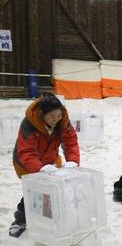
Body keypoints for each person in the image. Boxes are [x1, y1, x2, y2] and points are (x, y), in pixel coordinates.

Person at [10, 93, 80, 238]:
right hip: (26, 162)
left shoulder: (63, 122)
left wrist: (73, 160)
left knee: (52, 190)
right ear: (42, 115)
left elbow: (70, 142)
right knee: (33, 191)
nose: (56, 120)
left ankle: (46, 219)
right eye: (52, 117)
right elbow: (26, 151)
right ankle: (20, 221)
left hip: (51, 160)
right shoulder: (29, 124)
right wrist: (39, 168)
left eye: (59, 115)